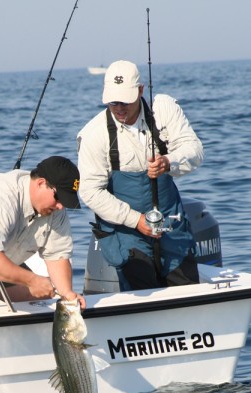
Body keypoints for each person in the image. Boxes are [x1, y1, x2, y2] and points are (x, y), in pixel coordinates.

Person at [77, 60, 203, 291]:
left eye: (126, 100)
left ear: (141, 90)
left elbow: (194, 151)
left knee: (187, 289)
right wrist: (136, 220)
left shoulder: (163, 108)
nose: (120, 108)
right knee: (141, 286)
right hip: (125, 229)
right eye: (113, 102)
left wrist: (168, 161)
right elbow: (90, 192)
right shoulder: (94, 135)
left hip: (170, 221)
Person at [0, 156, 85, 308]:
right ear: (41, 183)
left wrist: (67, 293)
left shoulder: (55, 209)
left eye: (66, 201)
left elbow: (57, 256)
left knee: (39, 299)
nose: (61, 206)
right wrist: (32, 280)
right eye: (59, 197)